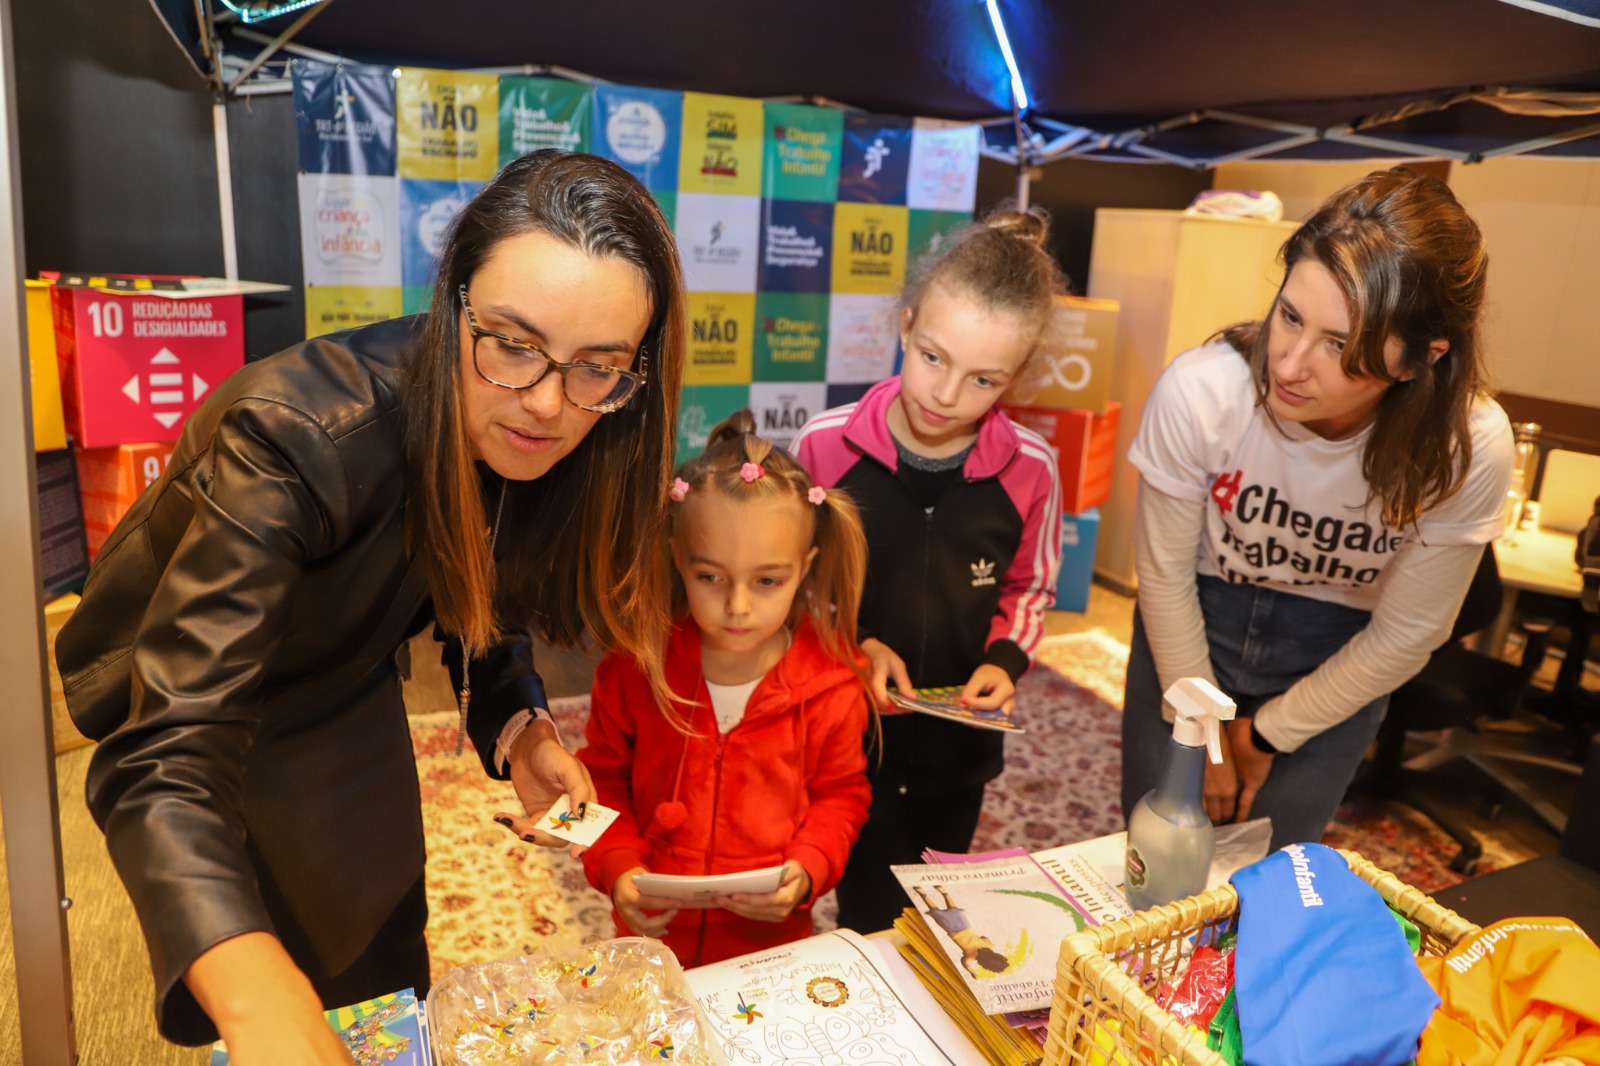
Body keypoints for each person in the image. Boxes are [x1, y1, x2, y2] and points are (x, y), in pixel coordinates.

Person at [54, 149, 686, 1060]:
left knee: (379, 928)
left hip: (343, 672)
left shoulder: (560, 416)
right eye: (512, 342)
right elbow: (166, 752)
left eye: (597, 366)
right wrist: (259, 1004)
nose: (548, 402)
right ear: (453, 300)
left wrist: (521, 726)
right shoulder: (293, 432)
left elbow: (481, 583)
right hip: (194, 689)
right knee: (262, 966)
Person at [1120, 166, 1514, 852]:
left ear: (1422, 358)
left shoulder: (1469, 446)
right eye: (1290, 317)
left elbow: (1406, 635)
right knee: (1155, 853)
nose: (1291, 365)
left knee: (1275, 875)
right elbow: (1162, 575)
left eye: (1340, 346)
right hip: (1196, 615)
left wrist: (1270, 732)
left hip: (1340, 652)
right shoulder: (1201, 390)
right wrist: (1203, 733)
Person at [793, 205, 1065, 934]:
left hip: (962, 750)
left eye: (984, 380)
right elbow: (796, 583)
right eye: (934, 357)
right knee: (867, 913)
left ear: (1019, 374)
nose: (946, 394)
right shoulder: (823, 447)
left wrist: (1005, 663)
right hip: (852, 740)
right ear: (905, 325)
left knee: (938, 915)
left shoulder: (1033, 469)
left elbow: (1031, 585)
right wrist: (853, 646)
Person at [577, 411, 873, 966]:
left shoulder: (832, 683)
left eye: (767, 581)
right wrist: (617, 867)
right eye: (710, 577)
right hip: (652, 942)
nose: (738, 607)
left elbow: (842, 795)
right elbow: (600, 784)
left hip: (769, 948)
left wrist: (808, 869)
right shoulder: (633, 667)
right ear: (677, 558)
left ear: (805, 567)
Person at [912, 883, 1010, 977]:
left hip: (966, 927)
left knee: (954, 909)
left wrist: (978, 941)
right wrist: (973, 972)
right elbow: (964, 962)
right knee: (937, 913)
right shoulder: (971, 957)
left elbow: (984, 937)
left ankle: (944, 893)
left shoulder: (990, 946)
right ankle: (924, 895)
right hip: (953, 931)